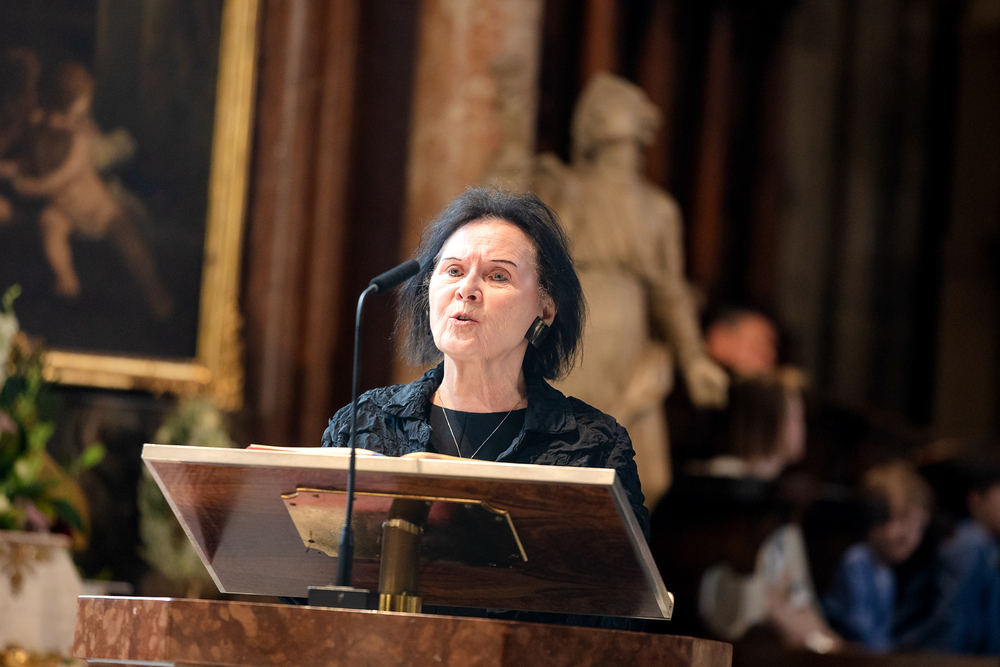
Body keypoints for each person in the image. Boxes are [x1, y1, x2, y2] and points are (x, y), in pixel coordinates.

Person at [321, 187, 648, 539]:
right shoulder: (362, 425)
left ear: (546, 308)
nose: (467, 289)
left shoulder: (595, 446)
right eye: (453, 270)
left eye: (498, 276)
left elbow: (620, 573)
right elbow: (310, 559)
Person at [533, 73, 728, 508]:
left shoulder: (658, 209)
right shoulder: (566, 188)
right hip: (578, 330)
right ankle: (563, 544)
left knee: (646, 475)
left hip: (629, 340)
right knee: (568, 463)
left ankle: (604, 548)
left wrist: (693, 359)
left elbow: (670, 293)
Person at [0, 62, 172, 319]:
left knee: (130, 240)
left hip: (98, 210)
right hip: (64, 212)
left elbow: (65, 176)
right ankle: (66, 278)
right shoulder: (40, 127)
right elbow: (30, 162)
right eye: (81, 104)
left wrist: (32, 187)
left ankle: (154, 289)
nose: (84, 110)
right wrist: (12, 168)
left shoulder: (81, 137)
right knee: (49, 223)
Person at [822, 461, 934, 652]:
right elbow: (860, 630)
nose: (909, 537)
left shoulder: (888, 570)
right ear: (874, 517)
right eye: (900, 521)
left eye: (918, 528)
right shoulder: (857, 560)